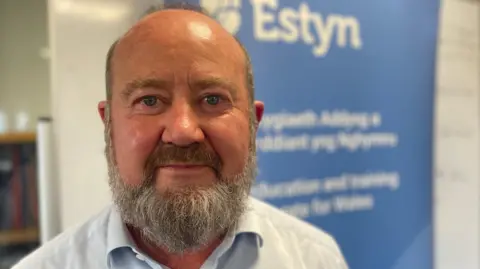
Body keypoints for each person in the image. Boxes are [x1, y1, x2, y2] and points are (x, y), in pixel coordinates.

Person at [13, 3, 348, 269]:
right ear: (109, 125)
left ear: (253, 122)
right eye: (149, 100)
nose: (183, 132)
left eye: (213, 99)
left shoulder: (315, 259)